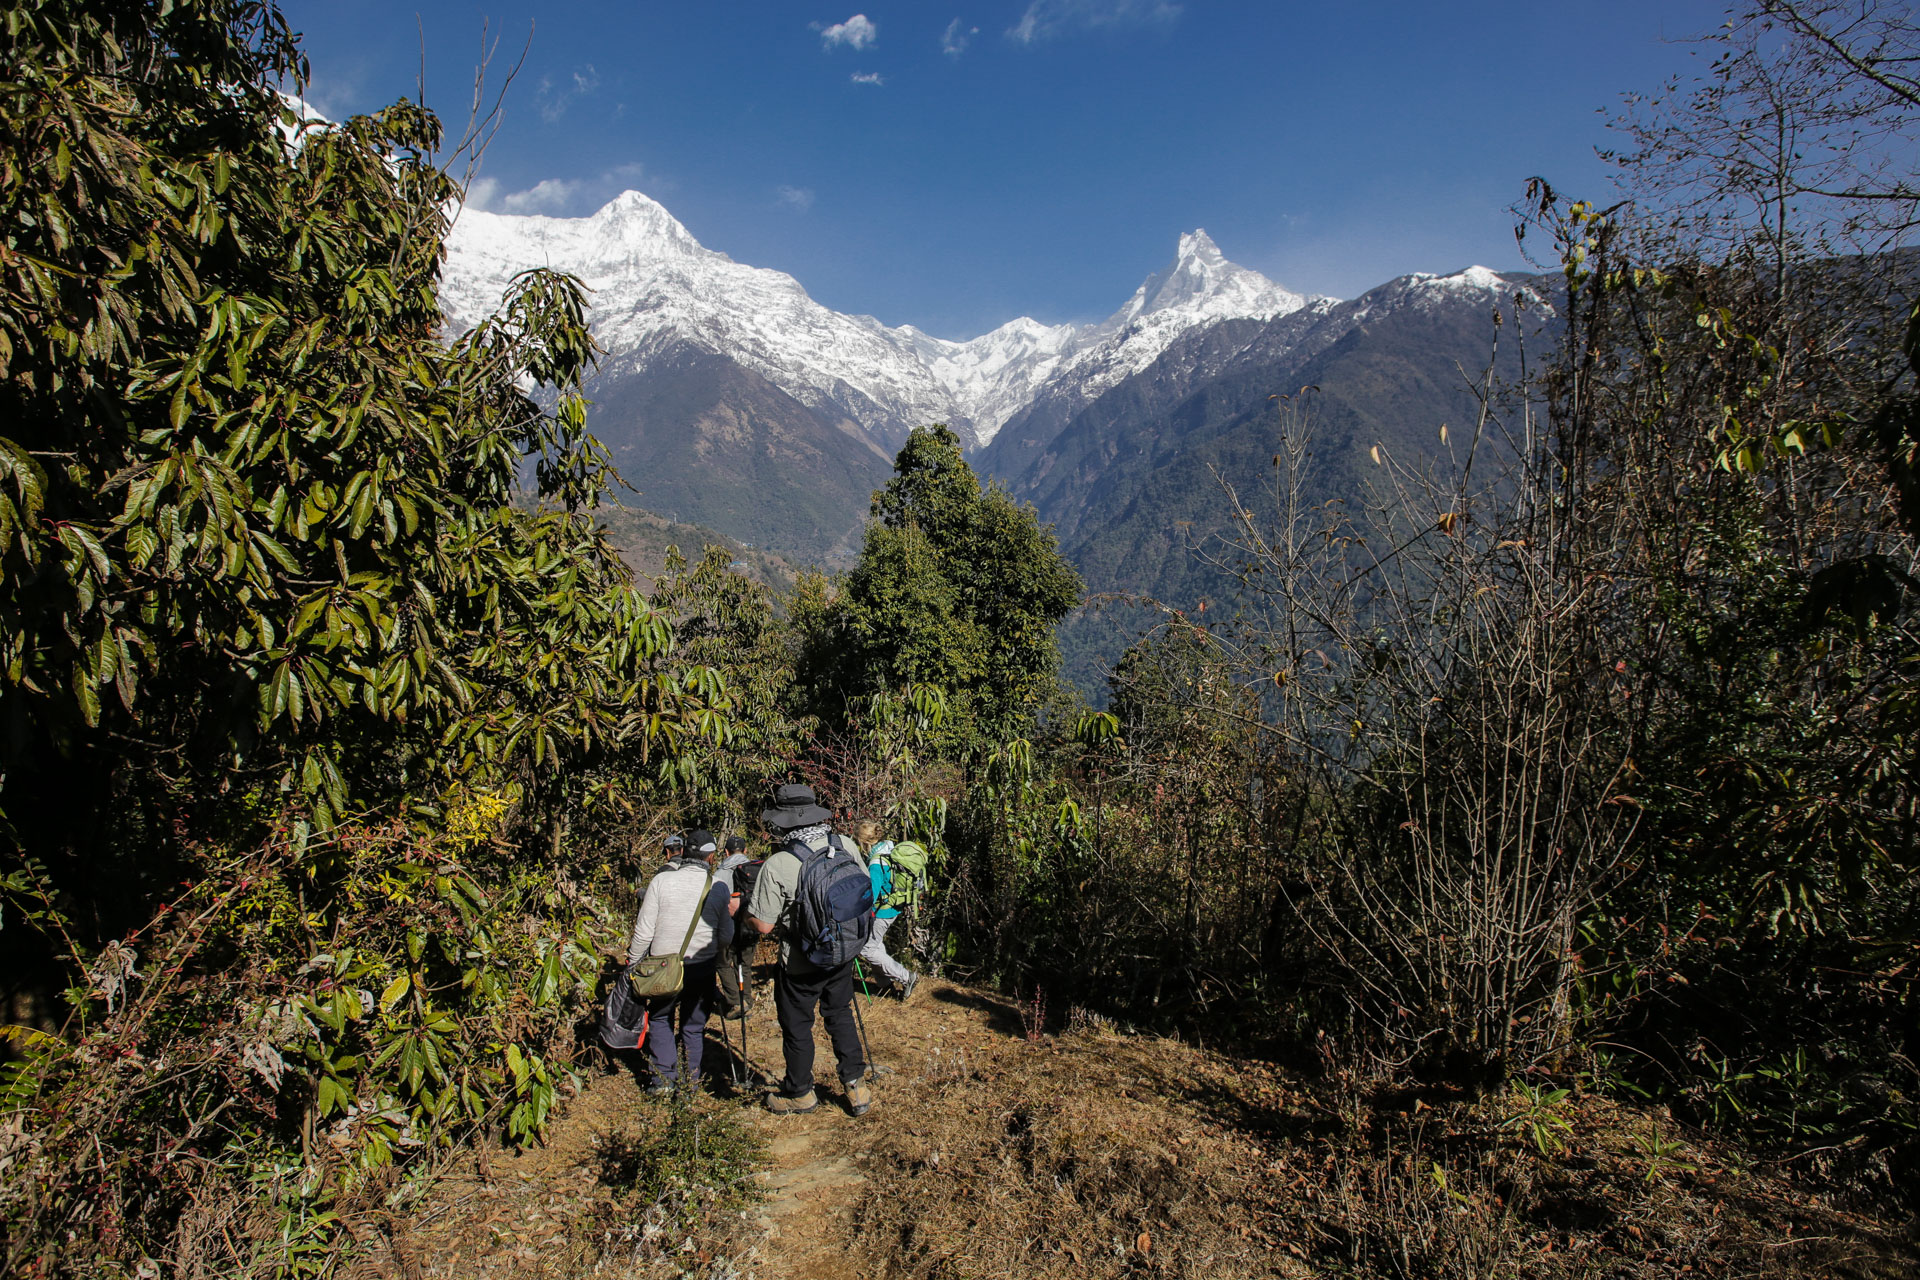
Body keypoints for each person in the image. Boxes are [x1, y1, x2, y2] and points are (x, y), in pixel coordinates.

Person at [747, 784, 872, 1116]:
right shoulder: (843, 844)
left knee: (798, 1025)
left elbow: (763, 926)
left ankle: (801, 1092)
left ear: (783, 822)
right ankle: (856, 1087)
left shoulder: (779, 863)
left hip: (801, 961)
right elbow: (862, 890)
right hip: (843, 952)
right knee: (840, 1014)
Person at [627, 828, 734, 1094]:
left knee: (661, 1018)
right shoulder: (718, 888)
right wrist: (711, 949)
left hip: (663, 965)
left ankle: (663, 1080)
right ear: (711, 857)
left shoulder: (661, 882)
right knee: (693, 1026)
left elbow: (643, 931)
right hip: (702, 966)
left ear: (683, 852)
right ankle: (690, 1083)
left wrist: (633, 963)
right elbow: (726, 935)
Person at [857, 826, 920, 1001]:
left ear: (864, 843)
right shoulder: (890, 847)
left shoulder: (876, 863)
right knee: (875, 945)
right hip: (894, 906)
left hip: (882, 911)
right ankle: (884, 985)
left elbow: (872, 895)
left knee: (867, 949)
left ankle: (906, 977)